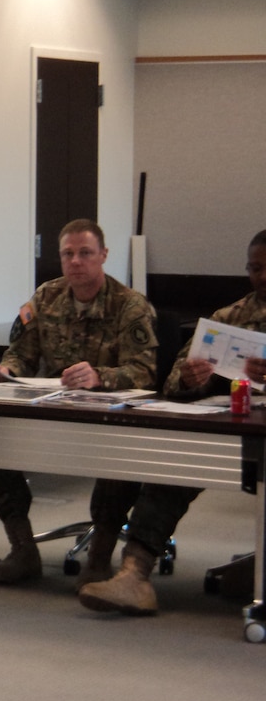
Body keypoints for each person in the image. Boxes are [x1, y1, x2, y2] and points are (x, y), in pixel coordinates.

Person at [78, 228, 266, 615]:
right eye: (254, 268)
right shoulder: (233, 317)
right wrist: (193, 376)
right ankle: (135, 573)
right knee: (177, 459)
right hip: (241, 433)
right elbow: (176, 378)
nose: (260, 277)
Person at [0, 219, 158, 585]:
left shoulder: (130, 306)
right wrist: (6, 370)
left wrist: (101, 376)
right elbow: (20, 354)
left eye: (85, 253)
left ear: (104, 255)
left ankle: (99, 558)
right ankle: (23, 549)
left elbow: (145, 371)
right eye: (68, 254)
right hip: (52, 409)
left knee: (119, 456)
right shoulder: (45, 298)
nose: (76, 261)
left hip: (107, 417)